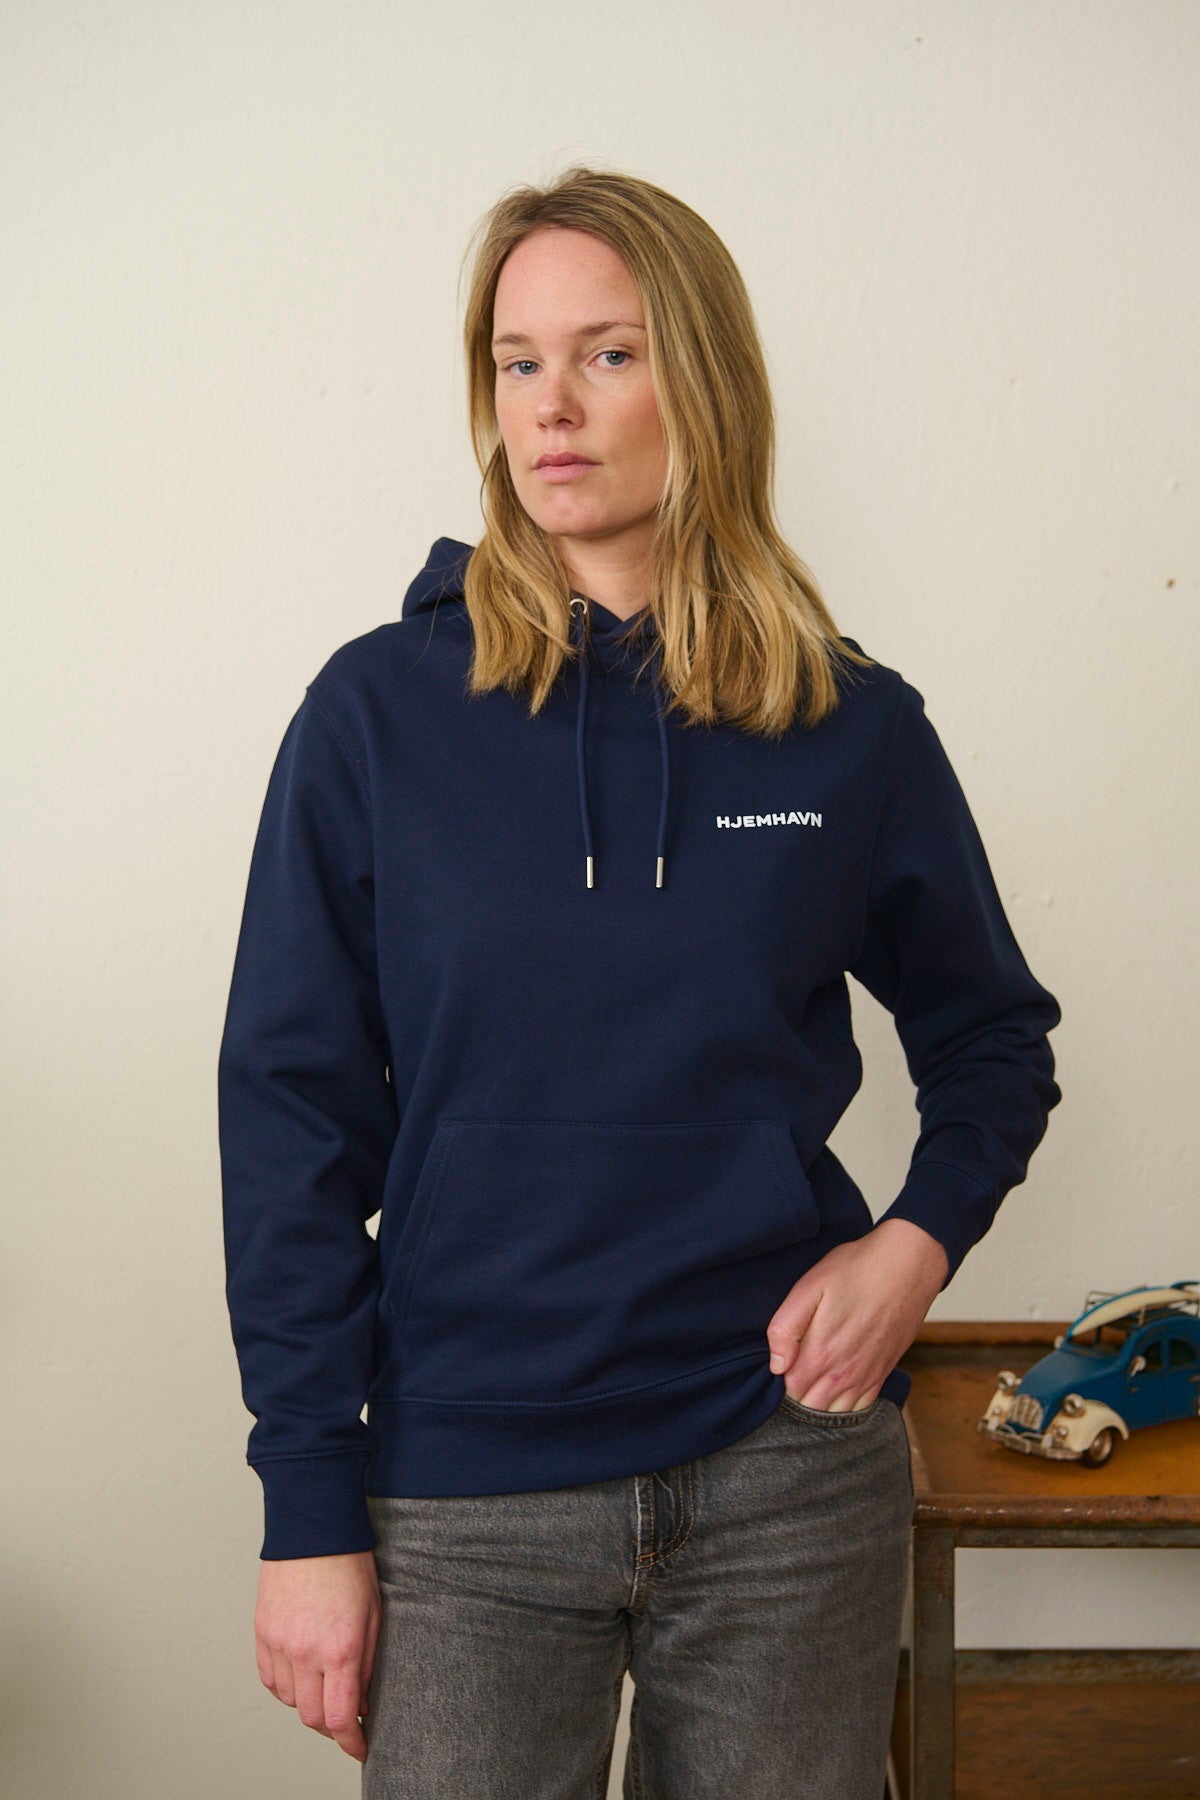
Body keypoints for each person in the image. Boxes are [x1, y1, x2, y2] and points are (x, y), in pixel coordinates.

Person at [217, 165, 1062, 1798]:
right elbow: (291, 1128)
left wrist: (915, 1244)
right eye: (517, 362)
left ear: (706, 382)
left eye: (608, 354)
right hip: (468, 1489)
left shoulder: (850, 726)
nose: (552, 406)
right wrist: (306, 1509)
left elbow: (991, 1038)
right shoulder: (377, 719)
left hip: (785, 1474)